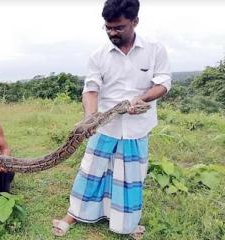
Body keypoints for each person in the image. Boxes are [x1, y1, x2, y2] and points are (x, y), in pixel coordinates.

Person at [52, 0, 171, 238]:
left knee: (130, 177)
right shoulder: (98, 55)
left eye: (119, 27)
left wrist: (143, 98)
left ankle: (127, 222)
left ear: (135, 22)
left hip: (138, 126)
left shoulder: (155, 48)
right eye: (107, 28)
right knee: (92, 171)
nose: (112, 33)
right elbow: (91, 89)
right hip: (104, 125)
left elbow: (164, 82)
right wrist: (90, 119)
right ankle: (74, 213)